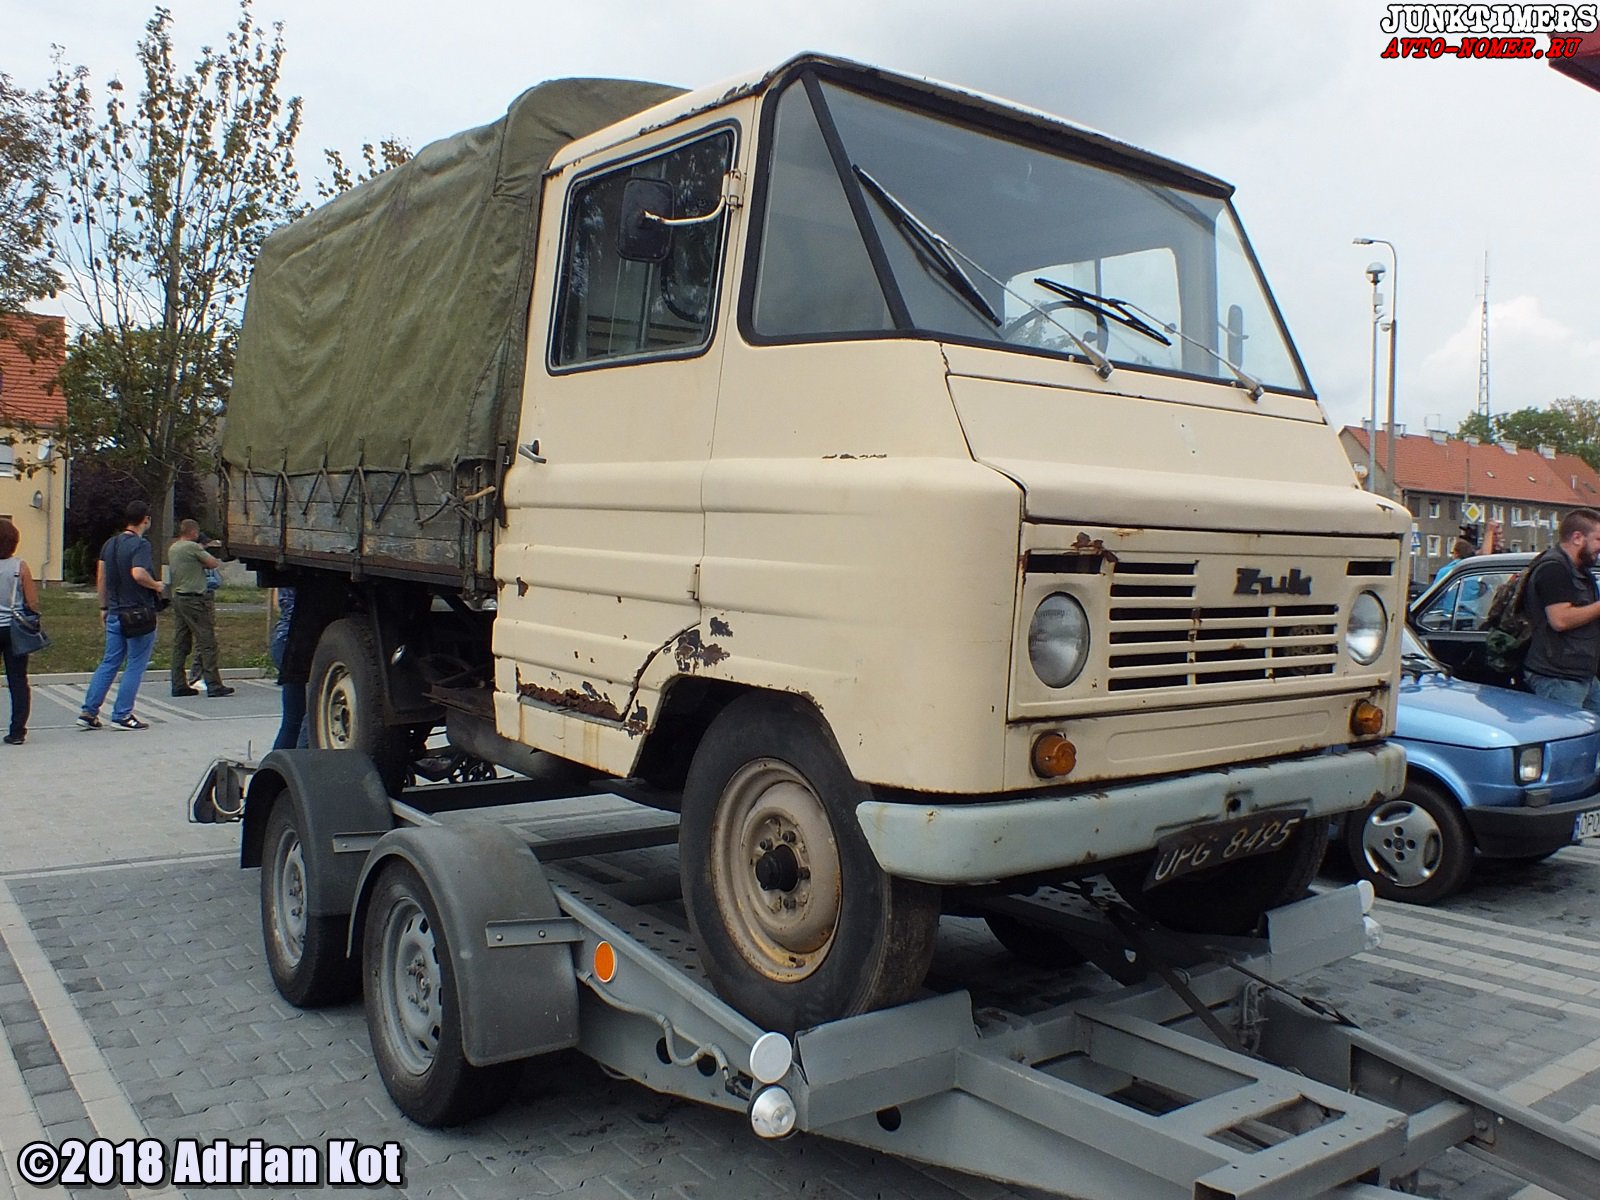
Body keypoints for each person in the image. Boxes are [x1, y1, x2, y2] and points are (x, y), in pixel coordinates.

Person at [79, 500, 165, 731]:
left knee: (109, 661)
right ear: (146, 519)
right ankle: (122, 714)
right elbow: (138, 573)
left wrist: (103, 607)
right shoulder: (141, 545)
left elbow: (101, 577)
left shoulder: (111, 544)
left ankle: (89, 711)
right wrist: (156, 585)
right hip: (138, 613)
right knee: (136, 663)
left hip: (115, 611)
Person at [1522, 507, 1600, 712]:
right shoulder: (1553, 569)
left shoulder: (1580, 570)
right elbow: (1560, 619)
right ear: (1577, 538)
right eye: (1598, 540)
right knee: (1569, 730)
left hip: (1580, 674)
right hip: (1557, 676)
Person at [167, 519, 234, 698]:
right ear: (193, 532)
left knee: (181, 642)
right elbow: (213, 563)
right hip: (194, 599)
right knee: (207, 641)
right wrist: (203, 552)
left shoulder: (174, 548)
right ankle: (213, 683)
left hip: (178, 597)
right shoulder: (192, 547)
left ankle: (178, 683)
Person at [0, 517, 40, 745]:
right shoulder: (20, 566)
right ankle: (17, 731)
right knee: (17, 680)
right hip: (14, 629)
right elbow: (32, 601)